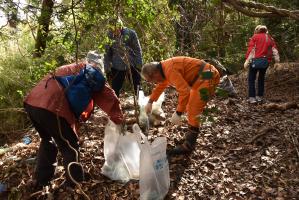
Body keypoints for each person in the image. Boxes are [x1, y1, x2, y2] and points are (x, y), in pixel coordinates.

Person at [24, 51, 124, 189]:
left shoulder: (68, 68)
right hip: (53, 107)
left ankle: (41, 180)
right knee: (70, 145)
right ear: (99, 66)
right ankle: (74, 182)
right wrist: (119, 120)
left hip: (32, 102)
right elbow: (110, 98)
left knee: (48, 140)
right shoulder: (91, 73)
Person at [141, 56, 220, 155]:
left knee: (193, 109)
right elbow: (161, 86)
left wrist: (178, 112)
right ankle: (191, 134)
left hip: (209, 75)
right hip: (202, 76)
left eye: (152, 80)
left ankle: (189, 145)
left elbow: (185, 91)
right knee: (190, 107)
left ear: (155, 73)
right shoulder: (163, 69)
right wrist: (150, 101)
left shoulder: (169, 70)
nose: (154, 82)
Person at [104, 17, 143, 97]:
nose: (115, 31)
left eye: (117, 28)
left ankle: (141, 104)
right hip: (116, 65)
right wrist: (107, 68)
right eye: (113, 29)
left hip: (132, 63)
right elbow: (107, 53)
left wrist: (139, 64)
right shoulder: (109, 36)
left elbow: (137, 49)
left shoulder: (131, 33)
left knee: (137, 86)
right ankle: (115, 107)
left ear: (120, 26)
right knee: (115, 88)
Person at [244, 25, 280, 104]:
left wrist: (247, 61)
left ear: (257, 30)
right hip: (265, 62)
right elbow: (275, 50)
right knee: (261, 79)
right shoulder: (270, 38)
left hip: (255, 62)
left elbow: (251, 50)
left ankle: (252, 98)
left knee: (251, 79)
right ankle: (259, 97)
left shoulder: (254, 37)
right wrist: (277, 61)